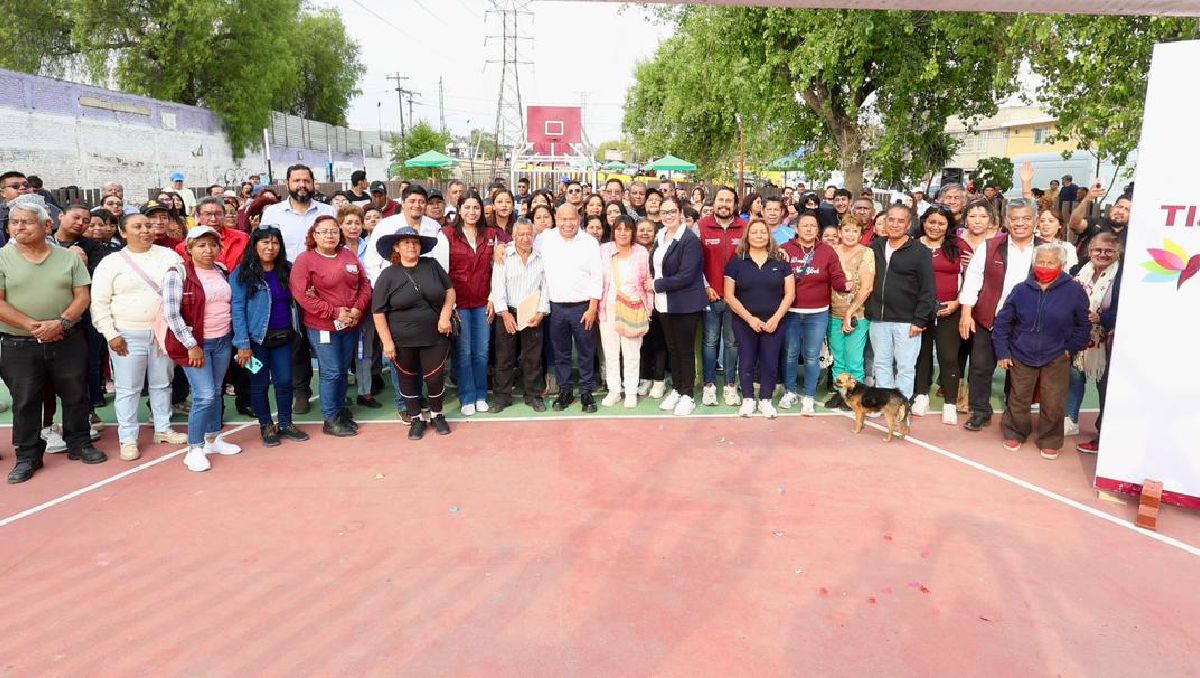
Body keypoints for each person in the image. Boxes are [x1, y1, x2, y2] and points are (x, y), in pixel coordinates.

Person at [0, 198, 105, 483]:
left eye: (26, 222)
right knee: (25, 400)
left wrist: (61, 322)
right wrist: (34, 327)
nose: (19, 227)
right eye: (14, 222)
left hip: (67, 338)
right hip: (19, 343)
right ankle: (28, 455)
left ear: (47, 226)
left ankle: (79, 443)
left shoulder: (69, 257)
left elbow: (82, 296)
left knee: (76, 393)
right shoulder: (2, 258)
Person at [90, 212, 189, 461]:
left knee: (162, 383)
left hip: (162, 332)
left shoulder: (170, 256)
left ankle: (163, 428)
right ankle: (128, 438)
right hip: (126, 335)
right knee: (128, 388)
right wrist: (111, 334)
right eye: (137, 226)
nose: (145, 230)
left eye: (148, 225)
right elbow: (99, 302)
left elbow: (181, 287)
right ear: (123, 232)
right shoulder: (111, 263)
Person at [993, 245, 1091, 460]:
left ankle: (1050, 440)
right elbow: (1002, 322)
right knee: (1018, 397)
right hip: (1021, 353)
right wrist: (1003, 352)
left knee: (1054, 400)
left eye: (1050, 262)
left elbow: (1083, 324)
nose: (1044, 266)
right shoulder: (1020, 289)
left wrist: (1071, 348)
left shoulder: (1074, 291)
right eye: (1041, 262)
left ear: (1062, 265)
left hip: (1057, 355)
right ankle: (1015, 432)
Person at [958, 199, 1043, 432]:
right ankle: (980, 411)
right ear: (1006, 221)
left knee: (1020, 372)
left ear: (1035, 221)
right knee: (980, 367)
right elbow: (972, 280)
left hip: (1027, 324)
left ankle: (1013, 413)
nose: (1020, 223)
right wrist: (966, 314)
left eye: (1026, 219)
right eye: (1014, 219)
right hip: (989, 319)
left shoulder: (1046, 249)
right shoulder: (990, 246)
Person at [260, 164, 338, 415]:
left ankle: (334, 391)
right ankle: (301, 391)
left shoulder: (327, 211)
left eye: (306, 180)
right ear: (288, 184)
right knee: (296, 341)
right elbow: (265, 247)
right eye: (296, 181)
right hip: (286, 285)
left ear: (313, 183)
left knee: (327, 341)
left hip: (323, 287)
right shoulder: (273, 213)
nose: (302, 185)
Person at [162, 226, 241, 473]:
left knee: (216, 392)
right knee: (204, 395)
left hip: (222, 341)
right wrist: (191, 345)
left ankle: (212, 439)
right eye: (201, 245)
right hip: (197, 345)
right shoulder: (178, 273)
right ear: (189, 248)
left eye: (213, 245)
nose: (208, 250)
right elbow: (172, 314)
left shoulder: (222, 270)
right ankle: (194, 449)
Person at [291, 215, 372, 437]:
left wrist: (357, 309)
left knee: (342, 370)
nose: (330, 235)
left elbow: (364, 285)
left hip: (350, 324)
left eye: (334, 231)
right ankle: (330, 418)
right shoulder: (305, 260)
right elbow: (303, 296)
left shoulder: (348, 255)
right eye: (324, 231)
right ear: (314, 235)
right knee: (331, 372)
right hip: (323, 327)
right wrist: (335, 312)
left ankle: (340, 410)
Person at [371, 228, 455, 439]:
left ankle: (437, 414)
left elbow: (450, 291)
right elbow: (378, 312)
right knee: (407, 378)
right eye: (406, 242)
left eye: (415, 242)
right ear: (397, 247)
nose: (411, 246)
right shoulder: (388, 275)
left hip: (435, 334)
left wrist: (445, 316)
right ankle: (416, 418)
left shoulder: (432, 265)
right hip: (402, 338)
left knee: (435, 377)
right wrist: (387, 342)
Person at [231, 227, 310, 447]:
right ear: (254, 245)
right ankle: (266, 425)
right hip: (255, 341)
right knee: (259, 384)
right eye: (264, 242)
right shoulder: (242, 273)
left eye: (275, 243)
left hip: (283, 337)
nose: (270, 247)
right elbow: (237, 309)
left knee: (284, 381)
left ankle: (285, 423)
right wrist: (243, 344)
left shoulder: (287, 269)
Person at [723, 219, 795, 418]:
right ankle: (748, 399)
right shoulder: (736, 262)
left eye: (763, 232)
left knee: (770, 362)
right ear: (747, 236)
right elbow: (729, 296)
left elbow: (790, 294)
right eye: (754, 232)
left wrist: (776, 318)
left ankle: (765, 400)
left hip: (774, 322)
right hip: (744, 322)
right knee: (746, 361)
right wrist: (750, 319)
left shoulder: (781, 262)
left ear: (769, 236)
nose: (759, 236)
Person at [779, 212, 850, 414]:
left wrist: (845, 285)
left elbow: (837, 276)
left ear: (817, 229)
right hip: (790, 312)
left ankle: (809, 396)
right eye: (805, 225)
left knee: (811, 356)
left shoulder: (826, 251)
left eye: (813, 226)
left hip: (817, 314)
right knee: (790, 354)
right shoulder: (784, 249)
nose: (809, 229)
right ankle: (790, 391)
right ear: (796, 229)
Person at [443, 192, 506, 415]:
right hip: (458, 304)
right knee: (464, 352)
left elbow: (497, 269)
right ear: (459, 210)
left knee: (482, 352)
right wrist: (449, 306)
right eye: (467, 207)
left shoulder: (491, 234)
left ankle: (481, 395)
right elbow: (442, 272)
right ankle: (467, 396)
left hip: (482, 303)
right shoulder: (447, 234)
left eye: (476, 207)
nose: (472, 212)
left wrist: (493, 298)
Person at [865, 204, 937, 399]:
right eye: (891, 220)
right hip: (879, 319)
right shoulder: (875, 247)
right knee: (881, 364)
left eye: (900, 221)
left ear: (908, 225)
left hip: (907, 321)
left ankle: (901, 406)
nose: (895, 224)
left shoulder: (920, 251)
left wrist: (919, 320)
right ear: (885, 222)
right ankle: (884, 403)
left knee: (905, 367)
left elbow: (928, 289)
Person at [648, 196, 707, 416]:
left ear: (680, 212)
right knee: (672, 349)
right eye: (664, 212)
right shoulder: (661, 235)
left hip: (685, 304)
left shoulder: (689, 240)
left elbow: (687, 275)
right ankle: (677, 389)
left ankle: (688, 395)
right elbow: (656, 265)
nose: (668, 216)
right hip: (663, 303)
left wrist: (656, 285)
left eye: (672, 211)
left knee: (685, 350)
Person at [912, 205, 971, 424]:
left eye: (941, 223)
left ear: (949, 226)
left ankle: (950, 404)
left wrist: (957, 302)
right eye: (931, 222)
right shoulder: (914, 245)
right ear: (924, 222)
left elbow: (972, 278)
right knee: (922, 354)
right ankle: (921, 396)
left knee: (948, 357)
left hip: (950, 310)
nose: (935, 227)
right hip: (920, 310)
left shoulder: (959, 246)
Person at [541, 204, 603, 413]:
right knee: (561, 353)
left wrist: (592, 307)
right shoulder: (546, 239)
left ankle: (586, 392)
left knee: (586, 352)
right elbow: (521, 241)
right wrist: (502, 248)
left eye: (572, 219)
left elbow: (597, 275)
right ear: (556, 219)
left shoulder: (589, 242)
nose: (568, 223)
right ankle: (565, 390)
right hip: (556, 307)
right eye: (563, 219)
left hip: (582, 307)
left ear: (579, 220)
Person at [1065, 233, 1121, 437]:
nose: (1102, 254)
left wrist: (1101, 318)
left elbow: (1125, 309)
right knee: (1074, 378)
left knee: (1104, 384)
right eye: (1098, 250)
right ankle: (1070, 419)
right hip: (1079, 335)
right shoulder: (1078, 271)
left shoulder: (1122, 276)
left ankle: (1104, 428)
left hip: (1107, 338)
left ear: (1118, 253)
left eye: (1109, 251)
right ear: (1089, 251)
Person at [491, 220, 550, 413]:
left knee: (532, 358)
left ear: (534, 236)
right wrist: (505, 314)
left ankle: (533, 396)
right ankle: (502, 398)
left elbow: (545, 287)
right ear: (513, 236)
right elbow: (497, 286)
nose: (525, 238)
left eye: (529, 234)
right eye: (521, 234)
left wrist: (541, 312)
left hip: (532, 314)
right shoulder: (504, 256)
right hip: (507, 313)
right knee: (504, 358)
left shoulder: (541, 258)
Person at [697, 186, 747, 407]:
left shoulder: (745, 227)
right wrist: (706, 286)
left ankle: (730, 386)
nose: (724, 204)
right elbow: (694, 262)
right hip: (711, 295)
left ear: (735, 205)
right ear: (714, 202)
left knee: (732, 343)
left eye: (729, 201)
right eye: (721, 200)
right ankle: (709, 385)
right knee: (710, 341)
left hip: (736, 298)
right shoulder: (700, 227)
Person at [598, 215, 652, 408]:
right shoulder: (604, 250)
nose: (622, 233)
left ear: (632, 232)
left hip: (633, 307)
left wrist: (648, 307)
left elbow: (647, 281)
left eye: (627, 229)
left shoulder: (641, 252)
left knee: (631, 353)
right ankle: (614, 391)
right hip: (608, 307)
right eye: (619, 229)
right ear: (613, 231)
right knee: (611, 352)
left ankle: (630, 391)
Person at [826, 219, 875, 410]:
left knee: (854, 359)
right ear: (840, 232)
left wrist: (850, 311)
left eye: (855, 231)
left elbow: (867, 287)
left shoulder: (866, 253)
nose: (850, 234)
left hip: (857, 315)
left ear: (861, 234)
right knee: (838, 358)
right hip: (833, 313)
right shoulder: (831, 251)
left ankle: (856, 396)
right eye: (847, 230)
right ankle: (840, 394)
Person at [635, 218, 668, 398]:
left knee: (659, 341)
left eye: (649, 230)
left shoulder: (661, 250)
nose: (645, 233)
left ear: (655, 234)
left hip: (659, 301)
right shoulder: (633, 251)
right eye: (641, 230)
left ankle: (659, 379)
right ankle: (645, 377)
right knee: (643, 343)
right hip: (637, 303)